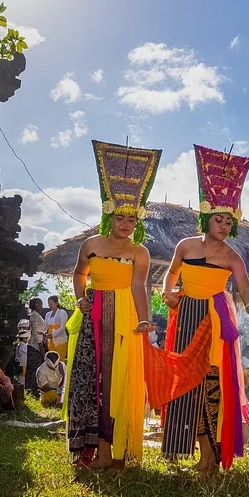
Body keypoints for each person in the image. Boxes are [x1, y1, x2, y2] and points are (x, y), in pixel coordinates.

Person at [156, 143, 249, 476]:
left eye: (227, 222)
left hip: (217, 318)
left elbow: (246, 289)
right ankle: (179, 448)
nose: (223, 226)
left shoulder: (233, 257)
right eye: (218, 220)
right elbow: (172, 274)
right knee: (184, 380)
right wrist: (167, 293)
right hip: (187, 314)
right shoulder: (185, 246)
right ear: (207, 219)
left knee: (211, 383)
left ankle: (209, 459)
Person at [65, 140, 160, 469]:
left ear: (138, 222)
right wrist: (80, 298)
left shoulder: (140, 252)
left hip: (125, 317)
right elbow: (80, 274)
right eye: (120, 217)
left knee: (119, 381)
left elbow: (138, 286)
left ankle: (118, 452)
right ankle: (91, 452)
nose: (125, 224)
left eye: (131, 220)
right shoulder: (91, 244)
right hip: (93, 314)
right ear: (109, 214)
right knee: (91, 379)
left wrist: (144, 320)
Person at [24, 297, 47, 394]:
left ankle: (34, 387)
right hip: (35, 344)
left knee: (37, 365)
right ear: (37, 305)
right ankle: (30, 387)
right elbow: (34, 331)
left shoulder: (37, 315)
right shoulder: (34, 315)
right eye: (41, 304)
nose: (42, 307)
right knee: (34, 366)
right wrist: (40, 344)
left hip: (39, 342)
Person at [44, 296, 70, 363]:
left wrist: (52, 334)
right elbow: (46, 326)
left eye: (51, 304)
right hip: (50, 340)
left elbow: (62, 327)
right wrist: (44, 333)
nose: (50, 306)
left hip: (60, 339)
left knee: (60, 359)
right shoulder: (47, 314)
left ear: (57, 303)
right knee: (52, 359)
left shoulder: (62, 312)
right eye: (49, 304)